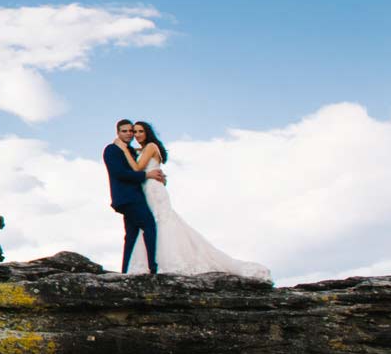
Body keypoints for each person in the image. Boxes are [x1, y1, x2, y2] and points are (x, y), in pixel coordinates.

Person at [130, 121, 271, 281]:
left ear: (147, 132)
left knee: (160, 221)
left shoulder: (150, 147)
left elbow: (137, 168)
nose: (137, 134)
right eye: (135, 132)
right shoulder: (145, 149)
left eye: (140, 131)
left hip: (153, 188)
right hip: (149, 188)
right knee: (158, 221)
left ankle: (166, 261)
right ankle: (156, 260)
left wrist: (124, 150)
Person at [103, 119, 165, 275]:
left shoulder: (131, 150)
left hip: (137, 195)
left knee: (131, 234)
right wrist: (147, 174)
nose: (129, 134)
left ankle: (125, 271)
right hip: (127, 197)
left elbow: (147, 161)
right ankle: (153, 267)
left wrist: (158, 175)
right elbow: (120, 173)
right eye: (125, 131)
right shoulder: (112, 150)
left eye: (131, 131)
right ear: (118, 133)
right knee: (149, 225)